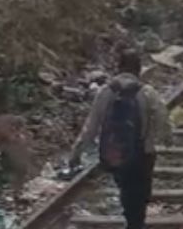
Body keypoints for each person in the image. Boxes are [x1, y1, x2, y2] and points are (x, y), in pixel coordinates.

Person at [69, 49, 172, 229]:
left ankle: (131, 218)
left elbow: (91, 126)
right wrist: (167, 138)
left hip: (116, 154)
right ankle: (135, 222)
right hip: (144, 153)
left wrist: (76, 152)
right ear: (138, 69)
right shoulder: (147, 92)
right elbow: (162, 116)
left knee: (126, 189)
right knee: (139, 193)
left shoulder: (106, 92)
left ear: (119, 67)